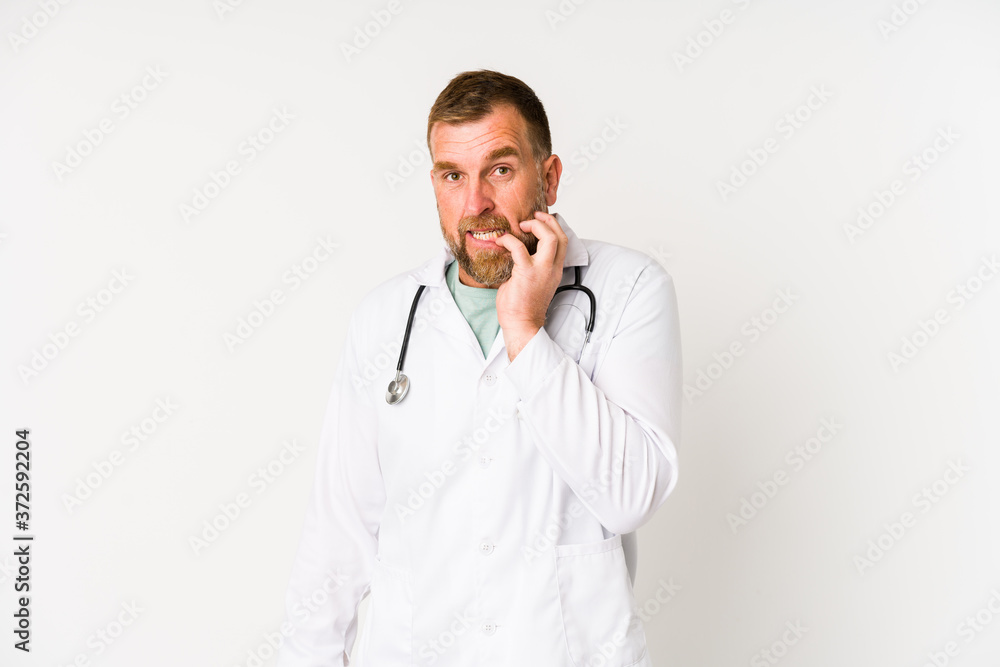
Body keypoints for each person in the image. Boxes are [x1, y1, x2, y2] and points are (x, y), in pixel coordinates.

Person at [277, 69, 681, 666]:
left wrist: (525, 330)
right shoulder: (386, 318)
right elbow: (337, 541)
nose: (476, 204)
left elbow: (627, 496)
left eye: (500, 168)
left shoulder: (628, 290)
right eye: (452, 176)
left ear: (549, 177)